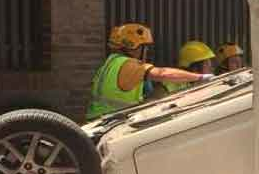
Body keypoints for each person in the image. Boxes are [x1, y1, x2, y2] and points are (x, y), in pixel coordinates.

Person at [86, 24, 214, 120]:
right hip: (108, 122)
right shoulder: (128, 64)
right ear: (133, 47)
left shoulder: (112, 62)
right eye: (144, 47)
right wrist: (200, 77)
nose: (146, 52)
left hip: (99, 120)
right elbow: (161, 73)